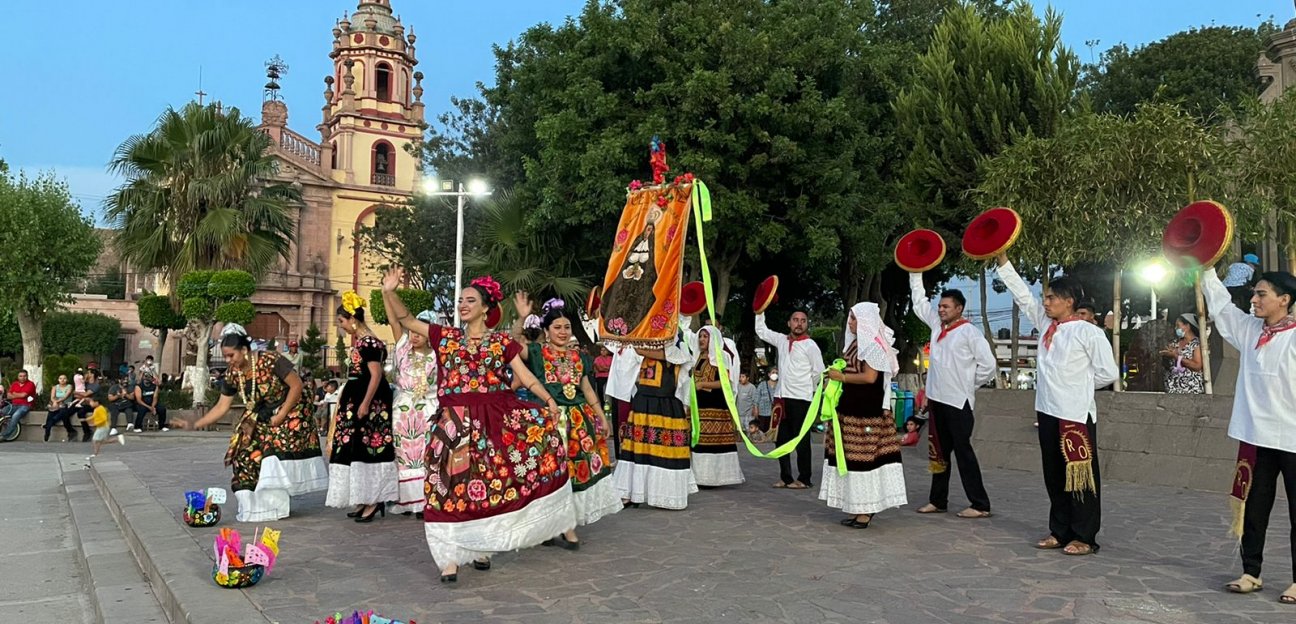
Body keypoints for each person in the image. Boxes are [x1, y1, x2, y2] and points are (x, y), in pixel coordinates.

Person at [382, 269, 574, 584]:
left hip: (494, 422)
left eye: (470, 300)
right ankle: (450, 558)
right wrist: (389, 292)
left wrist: (548, 401)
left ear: (486, 307)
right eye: (460, 300)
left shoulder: (500, 342)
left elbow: (524, 377)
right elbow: (406, 320)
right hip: (454, 425)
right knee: (449, 486)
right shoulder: (445, 337)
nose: (462, 305)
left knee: (486, 485)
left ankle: (481, 547)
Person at [995, 254, 1118, 556]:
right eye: (1046, 298)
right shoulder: (1047, 326)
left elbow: (1108, 373)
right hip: (1047, 411)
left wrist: (1078, 390)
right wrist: (1003, 263)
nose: (1046, 303)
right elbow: (1023, 296)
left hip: (1074, 414)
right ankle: (1059, 530)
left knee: (1081, 477)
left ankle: (1084, 536)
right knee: (1054, 474)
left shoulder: (1090, 332)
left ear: (1069, 301)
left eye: (1051, 298)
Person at [1203, 268, 1296, 604]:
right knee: (1254, 509)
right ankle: (1251, 572)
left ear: (1284, 300)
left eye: (1262, 295)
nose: (1254, 300)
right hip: (1257, 438)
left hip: (1293, 438)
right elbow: (1222, 308)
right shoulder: (1249, 330)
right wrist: (1205, 268)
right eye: (1254, 294)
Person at [174, 324, 328, 522]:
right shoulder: (232, 373)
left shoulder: (271, 360)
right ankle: (255, 507)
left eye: (231, 355)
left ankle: (276, 506)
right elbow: (222, 406)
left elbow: (296, 385)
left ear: (245, 350)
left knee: (271, 453)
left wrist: (281, 416)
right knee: (244, 455)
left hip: (291, 410)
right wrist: (195, 423)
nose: (229, 361)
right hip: (259, 414)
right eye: (226, 356)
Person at [515, 293, 620, 549]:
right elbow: (511, 346)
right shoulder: (537, 353)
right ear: (546, 330)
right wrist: (520, 316)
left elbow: (587, 389)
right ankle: (549, 526)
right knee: (550, 474)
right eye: (557, 327)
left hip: (577, 422)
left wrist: (601, 416)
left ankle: (567, 527)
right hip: (548, 421)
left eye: (567, 327)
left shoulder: (579, 357)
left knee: (573, 474)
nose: (562, 332)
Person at [909, 274, 998, 518]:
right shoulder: (937, 326)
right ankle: (938, 500)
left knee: (963, 452)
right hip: (937, 401)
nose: (941, 310)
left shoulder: (970, 332)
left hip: (959, 403)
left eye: (946, 306)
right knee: (938, 452)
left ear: (959, 309)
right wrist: (915, 274)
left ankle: (980, 504)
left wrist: (968, 386)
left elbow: (988, 365)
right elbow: (919, 304)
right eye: (940, 306)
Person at [819, 302, 907, 528]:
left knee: (864, 461)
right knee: (851, 461)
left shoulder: (873, 347)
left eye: (854, 318)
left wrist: (842, 378)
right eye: (850, 318)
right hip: (850, 412)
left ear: (866, 321)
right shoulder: (855, 346)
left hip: (867, 415)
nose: (850, 323)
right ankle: (857, 507)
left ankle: (866, 510)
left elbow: (869, 377)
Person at [325, 291, 397, 523]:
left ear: (352, 319)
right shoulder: (362, 342)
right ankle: (364, 498)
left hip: (369, 401)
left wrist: (365, 403)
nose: (341, 326)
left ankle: (374, 499)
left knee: (367, 446)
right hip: (356, 399)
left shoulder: (370, 343)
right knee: (353, 447)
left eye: (342, 321)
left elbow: (375, 375)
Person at [614, 315, 698, 510]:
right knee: (637, 451)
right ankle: (630, 493)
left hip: (667, 407)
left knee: (664, 452)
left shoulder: (678, 353)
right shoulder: (645, 348)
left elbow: (655, 352)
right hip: (644, 403)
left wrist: (633, 340)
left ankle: (666, 495)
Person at [756, 310, 826, 489]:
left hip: (801, 399)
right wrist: (760, 311)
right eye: (795, 320)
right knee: (780, 439)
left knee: (801, 440)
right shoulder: (782, 340)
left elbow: (819, 371)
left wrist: (807, 389)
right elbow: (762, 331)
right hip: (781, 398)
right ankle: (786, 477)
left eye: (803, 321)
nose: (799, 324)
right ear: (789, 323)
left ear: (807, 324)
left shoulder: (810, 345)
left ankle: (804, 478)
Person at [388, 309, 439, 516]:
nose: (414, 335)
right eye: (412, 331)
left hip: (428, 410)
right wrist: (387, 292)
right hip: (402, 412)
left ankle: (425, 501)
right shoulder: (402, 350)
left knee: (426, 453)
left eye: (419, 331)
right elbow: (394, 319)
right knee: (403, 456)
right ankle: (407, 501)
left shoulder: (438, 355)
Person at [690, 325, 745, 488]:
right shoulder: (697, 357)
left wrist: (702, 384)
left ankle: (715, 477)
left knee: (714, 441)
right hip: (698, 405)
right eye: (700, 336)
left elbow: (725, 381)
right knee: (699, 440)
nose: (701, 340)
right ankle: (700, 477)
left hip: (715, 404)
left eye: (705, 337)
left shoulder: (722, 357)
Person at [605, 344, 643, 455]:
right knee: (620, 423)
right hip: (618, 391)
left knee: (632, 423)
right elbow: (606, 340)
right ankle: (620, 454)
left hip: (633, 390)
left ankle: (632, 453)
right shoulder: (618, 345)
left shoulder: (637, 346)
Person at [1159, 313, 1204, 394]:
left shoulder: (1197, 344)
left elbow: (1197, 366)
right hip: (1172, 389)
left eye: (1178, 325)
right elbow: (1167, 365)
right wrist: (1166, 356)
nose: (1176, 328)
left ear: (1187, 326)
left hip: (1191, 390)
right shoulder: (1174, 343)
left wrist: (1176, 356)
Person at [1, 370, 37, 440]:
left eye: (24, 376)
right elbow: (8, 396)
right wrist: (18, 395)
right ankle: (8, 426)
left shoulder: (30, 384)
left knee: (15, 416)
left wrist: (14, 394)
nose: (22, 378)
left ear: (27, 376)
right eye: (20, 376)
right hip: (14, 405)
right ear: (18, 377)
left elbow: (24, 395)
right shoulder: (14, 384)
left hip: (25, 405)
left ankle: (4, 436)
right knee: (2, 411)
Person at [71, 369, 103, 442]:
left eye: (88, 373)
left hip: (93, 403)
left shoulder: (96, 385)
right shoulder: (85, 384)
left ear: (92, 375)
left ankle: (87, 432)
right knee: (68, 411)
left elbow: (86, 394)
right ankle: (70, 430)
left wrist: (76, 392)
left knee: (81, 413)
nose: (86, 374)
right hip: (82, 402)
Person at [43, 374, 76, 442]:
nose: (62, 380)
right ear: (58, 380)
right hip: (56, 404)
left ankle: (49, 425)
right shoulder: (55, 387)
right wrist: (55, 402)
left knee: (61, 414)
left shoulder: (69, 386)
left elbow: (66, 396)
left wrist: (57, 401)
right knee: (50, 414)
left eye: (64, 378)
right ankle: (47, 433)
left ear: (67, 380)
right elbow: (52, 397)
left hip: (66, 404)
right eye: (60, 378)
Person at [754, 369, 778, 436]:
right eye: (773, 372)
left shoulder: (779, 385)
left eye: (776, 373)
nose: (775, 374)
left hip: (774, 412)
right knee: (762, 429)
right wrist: (756, 408)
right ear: (769, 374)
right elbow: (756, 397)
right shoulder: (762, 384)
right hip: (762, 411)